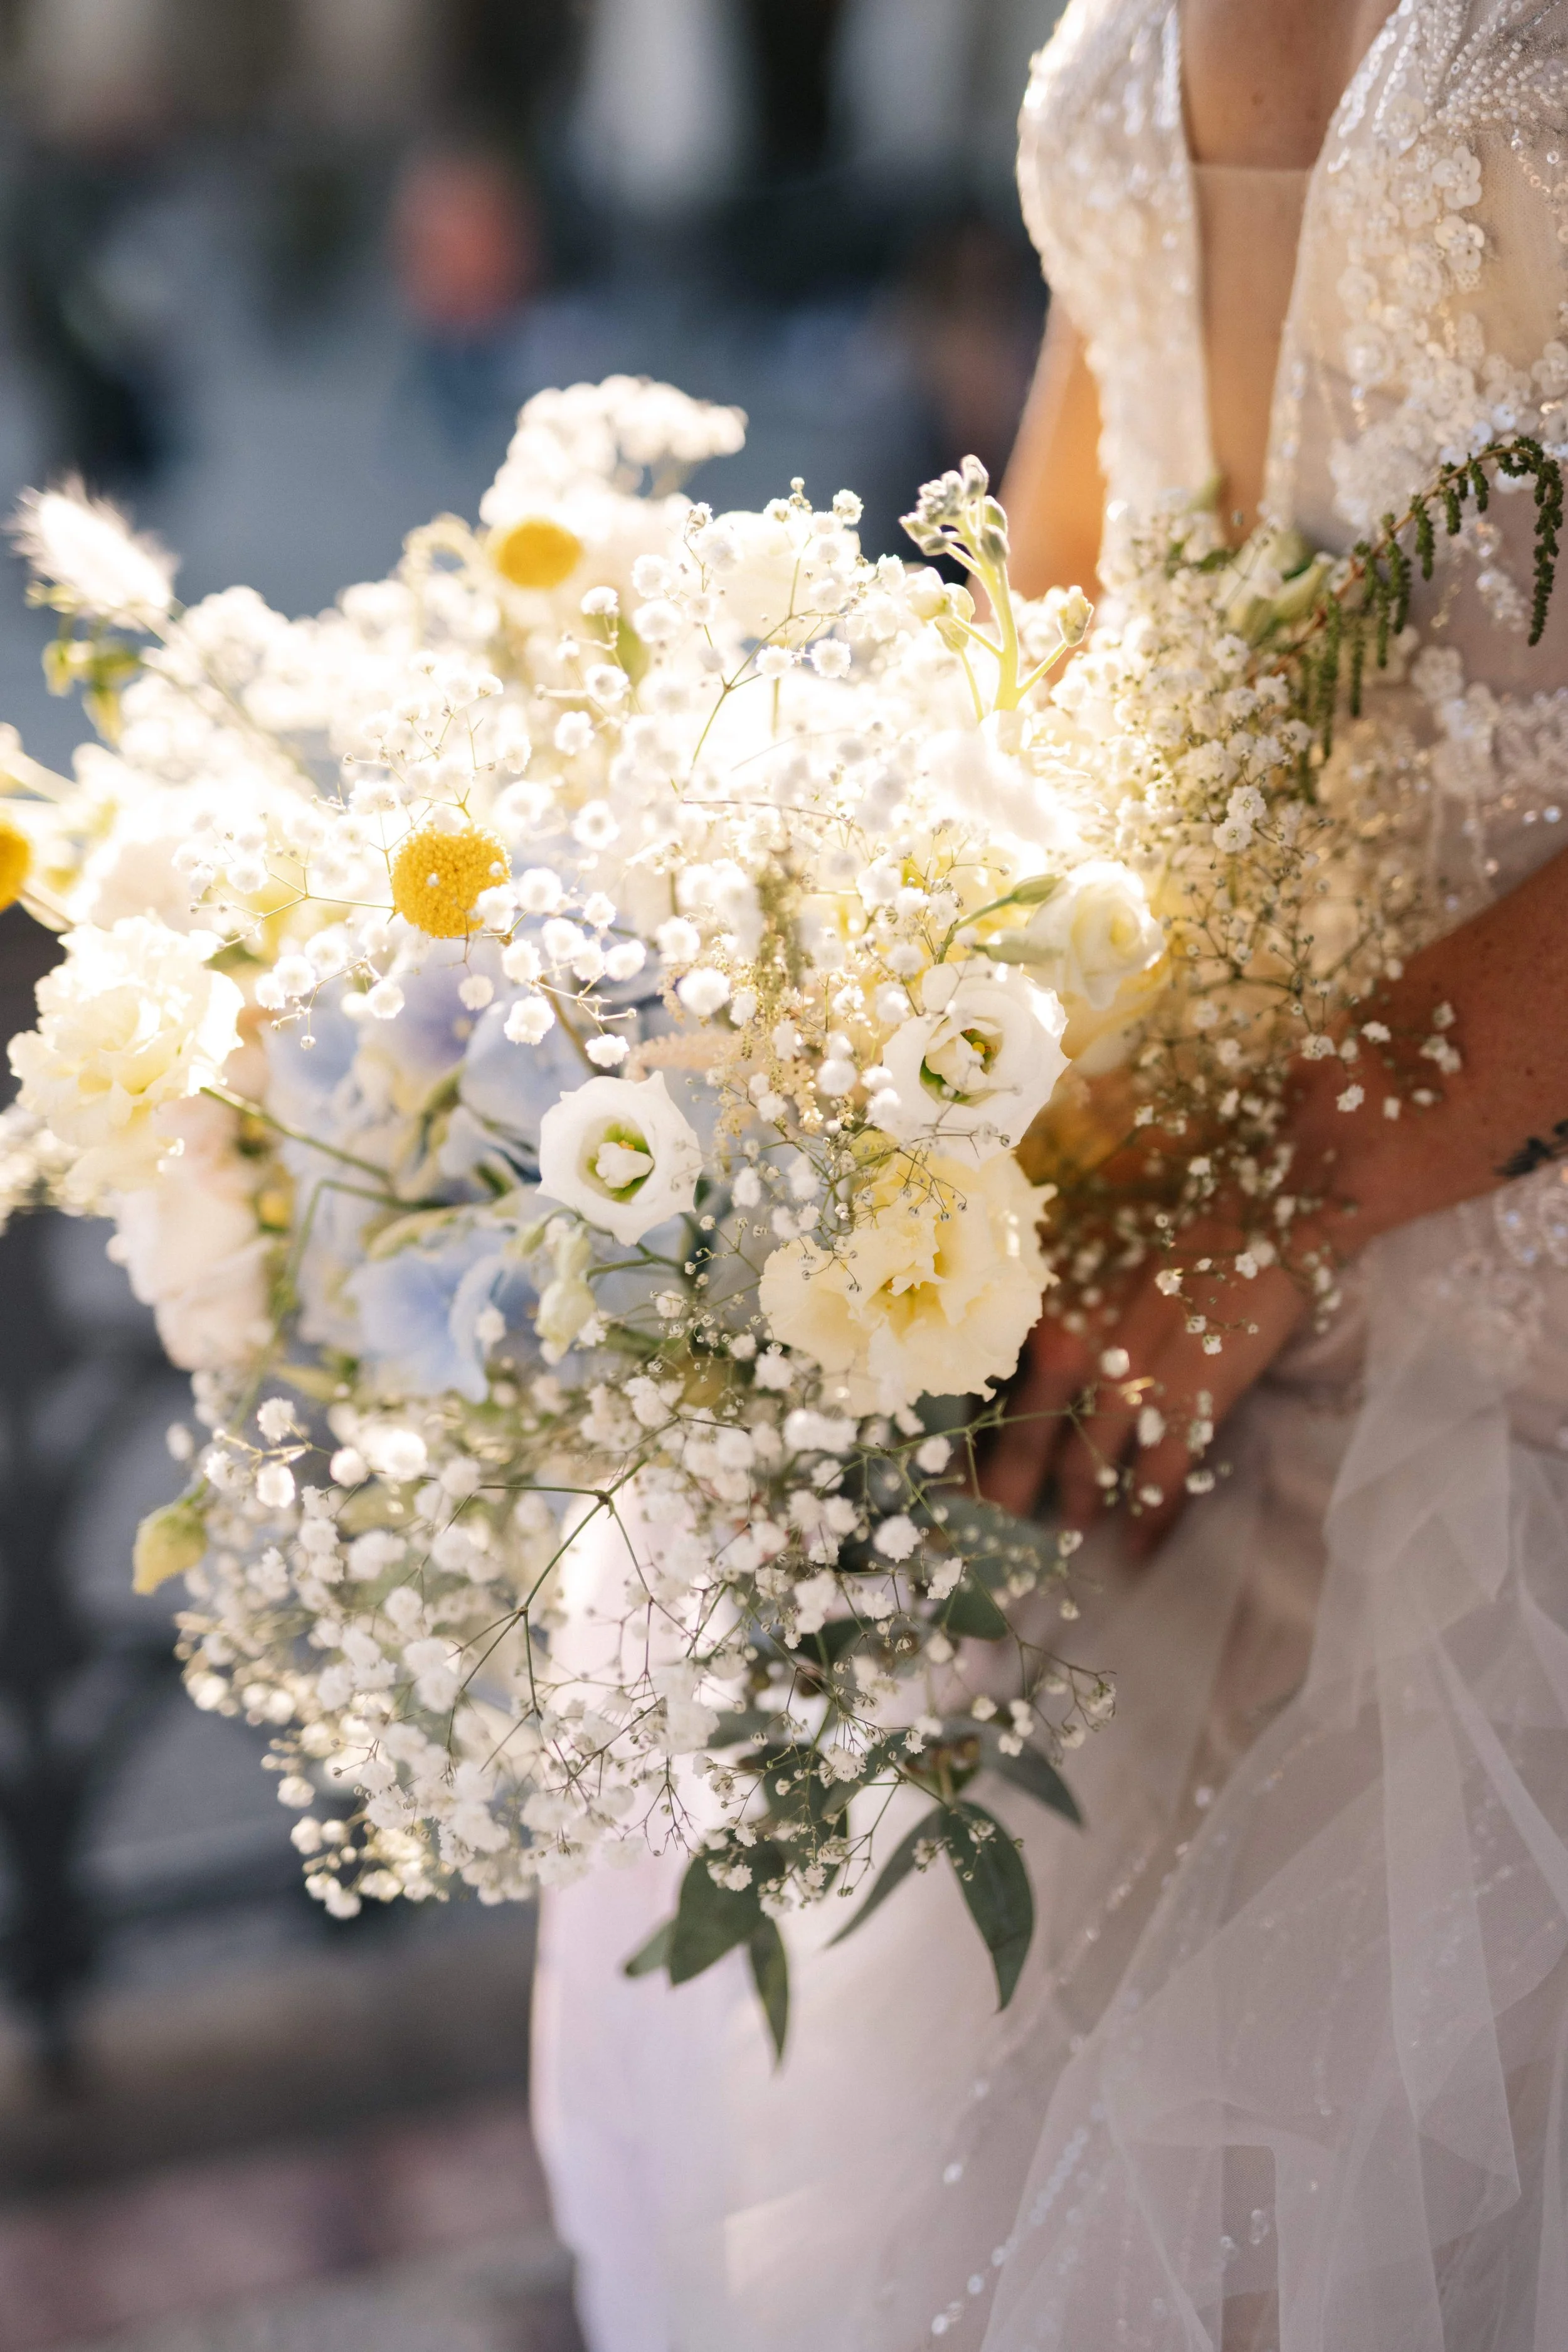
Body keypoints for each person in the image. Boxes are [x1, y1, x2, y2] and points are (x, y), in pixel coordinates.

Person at [534, 6, 1568, 2345]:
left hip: (1492, 1324)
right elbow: (1070, 600)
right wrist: (891, 1033)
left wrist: (1279, 1209)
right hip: (1170, 1342)